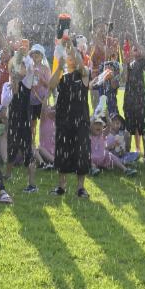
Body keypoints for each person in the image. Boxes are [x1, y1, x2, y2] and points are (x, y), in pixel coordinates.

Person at [48, 37, 92, 198]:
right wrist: (59, 67)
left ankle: (81, 188)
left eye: (74, 56)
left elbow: (80, 64)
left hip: (81, 120)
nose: (71, 57)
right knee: (62, 151)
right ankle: (61, 186)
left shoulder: (84, 73)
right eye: (69, 56)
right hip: (64, 119)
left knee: (82, 152)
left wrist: (71, 47)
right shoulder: (63, 76)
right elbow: (51, 85)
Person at [4, 44, 38, 193]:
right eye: (20, 66)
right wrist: (17, 60)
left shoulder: (28, 79)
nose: (21, 69)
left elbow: (28, 65)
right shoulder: (14, 80)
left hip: (24, 120)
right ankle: (8, 174)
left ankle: (32, 184)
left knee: (27, 150)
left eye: (23, 66)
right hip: (13, 118)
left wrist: (22, 54)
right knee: (11, 146)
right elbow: (13, 68)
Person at [122, 42, 145, 159]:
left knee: (143, 128)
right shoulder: (130, 64)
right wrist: (125, 64)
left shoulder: (144, 62)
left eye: (138, 49)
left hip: (141, 101)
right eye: (134, 49)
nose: (136, 51)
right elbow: (124, 79)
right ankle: (127, 154)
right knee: (129, 128)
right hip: (129, 101)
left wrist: (142, 50)